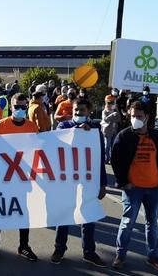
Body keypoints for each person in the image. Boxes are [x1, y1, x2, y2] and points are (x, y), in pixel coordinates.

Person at [110, 101, 158, 272]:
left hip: (154, 188)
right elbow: (116, 161)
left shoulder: (157, 136)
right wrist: (123, 182)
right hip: (133, 188)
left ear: (147, 117)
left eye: (139, 116)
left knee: (152, 223)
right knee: (127, 222)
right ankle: (120, 255)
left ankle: (153, 257)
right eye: (132, 116)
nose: (135, 119)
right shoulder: (123, 136)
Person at [0, 93, 40, 262]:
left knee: (23, 212)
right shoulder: (1, 125)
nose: (20, 110)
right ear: (11, 107)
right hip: (2, 177)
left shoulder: (32, 127)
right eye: (17, 107)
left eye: (23, 107)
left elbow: (38, 150)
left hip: (22, 177)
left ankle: (24, 246)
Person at [51, 97, 108, 267]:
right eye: (76, 110)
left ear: (89, 112)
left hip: (87, 180)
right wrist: (77, 129)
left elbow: (99, 158)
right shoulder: (64, 126)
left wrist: (103, 183)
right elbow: (58, 143)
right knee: (64, 215)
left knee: (88, 216)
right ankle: (59, 249)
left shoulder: (95, 130)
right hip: (67, 179)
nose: (77, 113)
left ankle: (89, 252)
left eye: (82, 110)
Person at [101, 95, 122, 163]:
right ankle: (107, 158)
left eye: (112, 103)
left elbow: (119, 119)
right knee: (107, 146)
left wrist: (117, 111)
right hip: (107, 131)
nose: (110, 104)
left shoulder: (115, 110)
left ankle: (111, 158)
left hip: (114, 131)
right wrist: (112, 115)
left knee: (113, 146)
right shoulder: (104, 111)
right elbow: (105, 119)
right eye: (109, 103)